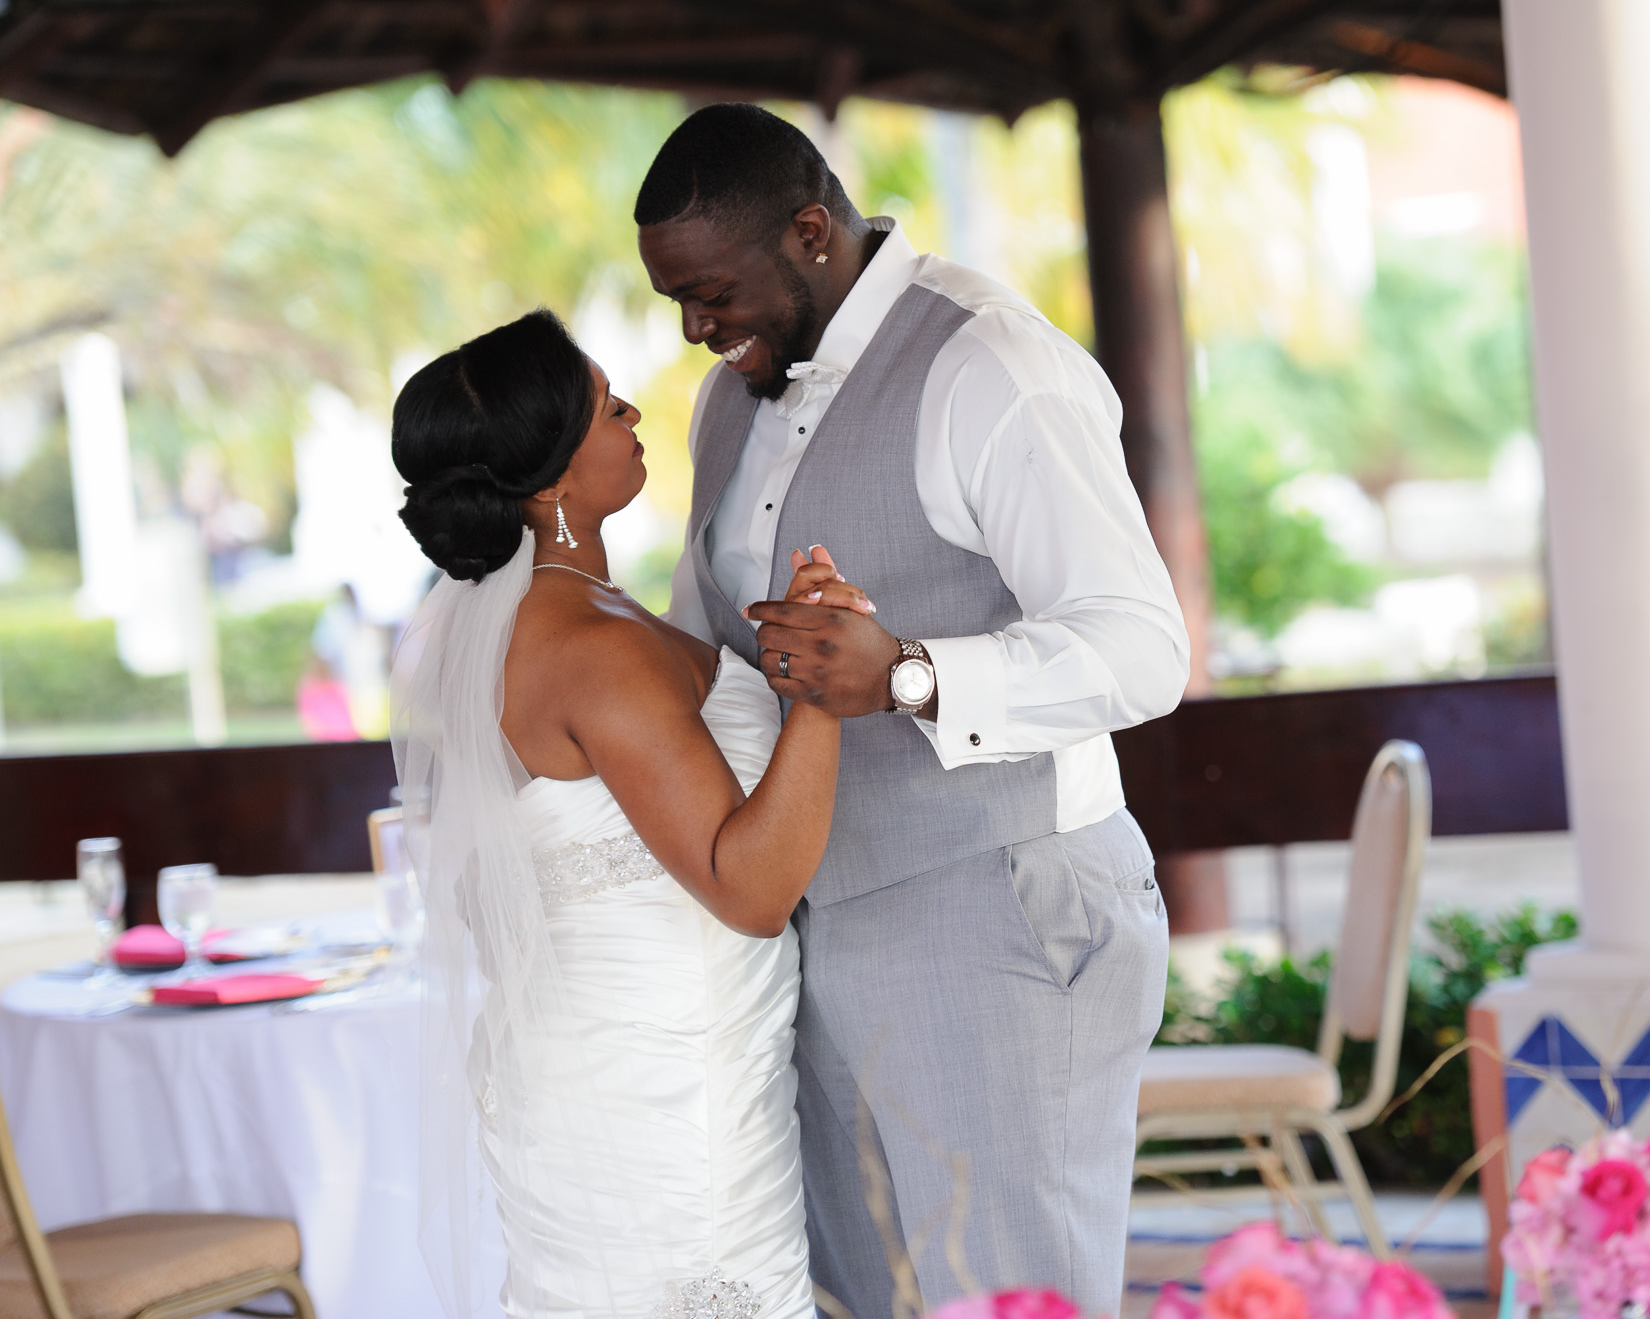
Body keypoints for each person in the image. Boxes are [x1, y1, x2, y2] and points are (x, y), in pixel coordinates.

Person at [641, 104, 1190, 1317]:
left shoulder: (989, 362)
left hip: (991, 904)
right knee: (869, 1295)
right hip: (810, 927)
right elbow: (710, 649)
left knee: (1010, 1295)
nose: (694, 329)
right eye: (676, 300)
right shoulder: (727, 399)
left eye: (713, 292)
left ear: (809, 233)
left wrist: (907, 673)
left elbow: (1143, 648)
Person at [388, 310, 872, 1319]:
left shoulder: (549, 622)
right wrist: (824, 688)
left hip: (649, 1057)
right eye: (609, 405)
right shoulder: (584, 645)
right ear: (551, 478)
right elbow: (747, 886)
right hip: (661, 1090)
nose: (636, 410)